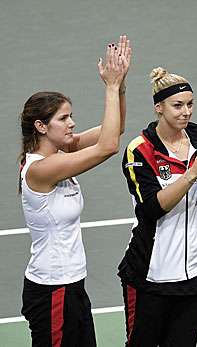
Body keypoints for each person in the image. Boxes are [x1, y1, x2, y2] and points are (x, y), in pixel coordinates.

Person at [19, 35, 131, 347]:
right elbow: (108, 146)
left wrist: (119, 84)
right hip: (51, 290)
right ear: (42, 127)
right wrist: (108, 87)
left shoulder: (61, 153)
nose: (72, 124)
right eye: (64, 118)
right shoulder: (41, 169)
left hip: (72, 286)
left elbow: (116, 128)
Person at [119, 67, 197, 346]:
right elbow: (152, 208)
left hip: (195, 271)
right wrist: (192, 174)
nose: (186, 112)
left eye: (190, 104)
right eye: (177, 106)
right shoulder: (140, 150)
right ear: (159, 108)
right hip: (152, 274)